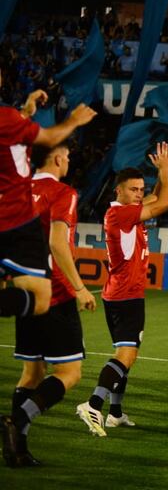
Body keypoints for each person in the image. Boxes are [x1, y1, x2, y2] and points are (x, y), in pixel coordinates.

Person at [1, 144, 97, 467]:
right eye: (67, 156)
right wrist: (80, 287)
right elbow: (58, 243)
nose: (69, 160)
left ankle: (16, 450)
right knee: (70, 373)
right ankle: (19, 421)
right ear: (57, 159)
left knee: (31, 373)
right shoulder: (63, 192)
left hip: (27, 293)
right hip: (55, 295)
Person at [76, 143, 168, 436]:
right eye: (134, 189)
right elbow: (165, 201)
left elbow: (157, 196)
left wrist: (159, 177)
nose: (140, 194)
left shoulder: (127, 211)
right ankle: (93, 404)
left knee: (127, 353)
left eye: (141, 189)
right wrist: (166, 171)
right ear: (118, 191)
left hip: (123, 292)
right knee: (125, 356)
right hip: (125, 295)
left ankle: (115, 413)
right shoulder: (121, 214)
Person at [0, 86, 95, 321]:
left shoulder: (10, 120)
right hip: (15, 219)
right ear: (59, 159)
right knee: (41, 299)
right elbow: (50, 138)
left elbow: (12, 135)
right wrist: (74, 120)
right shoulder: (63, 193)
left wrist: (25, 112)